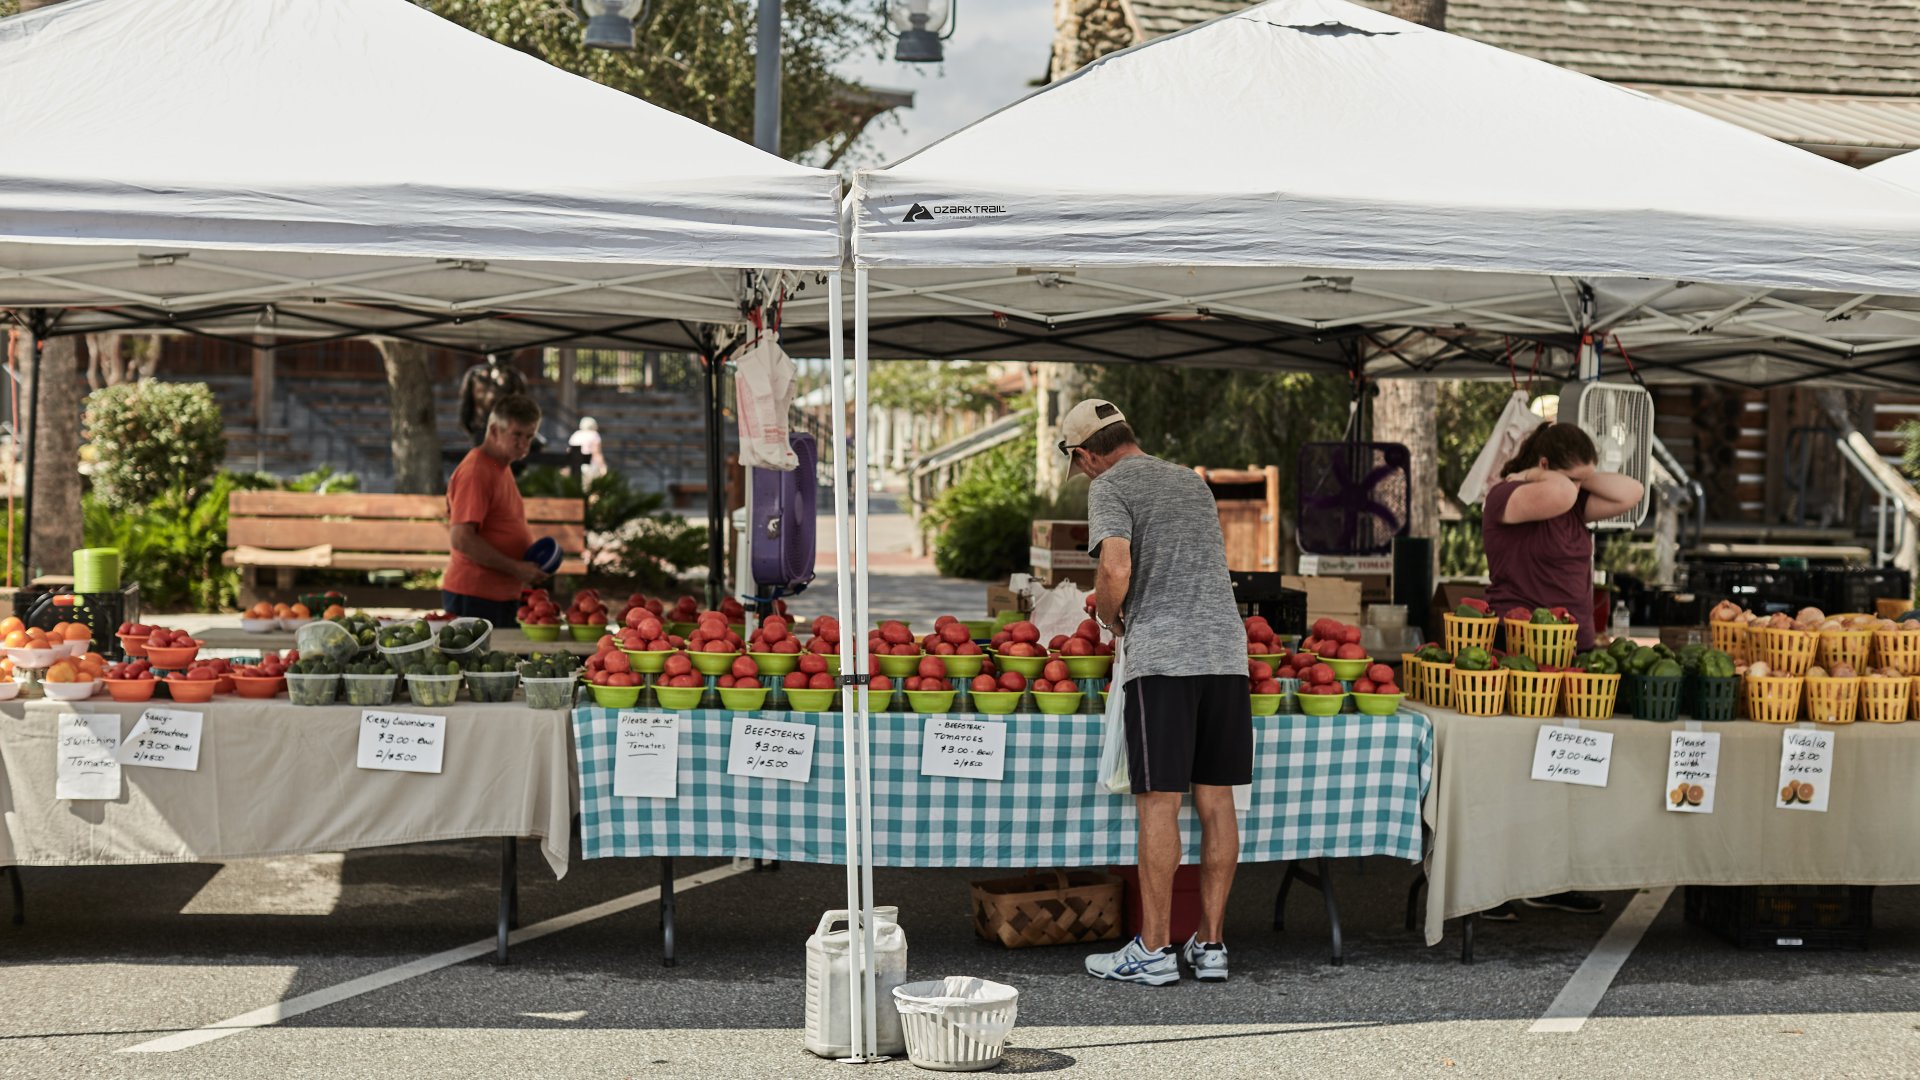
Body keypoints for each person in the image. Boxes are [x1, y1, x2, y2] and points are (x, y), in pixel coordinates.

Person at [1069, 399, 1251, 986]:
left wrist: (1111, 618)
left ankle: (1152, 950)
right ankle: (1212, 945)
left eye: (1079, 464)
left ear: (1086, 452)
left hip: (1164, 657)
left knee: (1160, 803)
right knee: (1217, 802)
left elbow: (1116, 570)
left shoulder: (1109, 486)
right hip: (1225, 653)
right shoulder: (1190, 482)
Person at [1478, 420, 1644, 921]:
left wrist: (1581, 474)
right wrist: (1539, 473)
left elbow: (1631, 492)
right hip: (1520, 652)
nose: (1580, 487)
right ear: (1545, 466)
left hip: (1575, 653)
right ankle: (1494, 885)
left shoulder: (1572, 499)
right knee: (1512, 771)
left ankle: (1553, 877)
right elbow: (1554, 495)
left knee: (1567, 773)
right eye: (1572, 475)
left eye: (1584, 479)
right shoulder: (1507, 496)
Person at [443, 394, 548, 624]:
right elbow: (461, 538)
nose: (524, 445)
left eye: (529, 436)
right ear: (493, 431)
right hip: (475, 596)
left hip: (498, 594)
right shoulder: (476, 471)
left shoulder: (501, 465)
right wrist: (516, 568)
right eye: (517, 435)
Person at [458, 355, 530, 447]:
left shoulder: (514, 376)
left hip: (504, 429)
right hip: (482, 428)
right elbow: (466, 405)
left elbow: (522, 408)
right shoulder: (474, 374)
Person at [569, 416, 607, 485]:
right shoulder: (594, 435)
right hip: (590, 466)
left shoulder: (575, 435)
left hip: (576, 466)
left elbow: (569, 451)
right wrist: (602, 466)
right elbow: (596, 452)